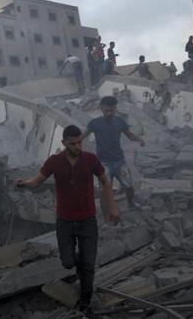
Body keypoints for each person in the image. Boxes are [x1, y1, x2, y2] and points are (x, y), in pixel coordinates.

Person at [16, 125, 119, 316]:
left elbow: (105, 181)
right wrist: (24, 184)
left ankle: (85, 302)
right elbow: (37, 180)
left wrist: (112, 207)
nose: (78, 146)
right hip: (65, 221)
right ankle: (80, 265)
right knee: (68, 263)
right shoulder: (54, 161)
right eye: (73, 143)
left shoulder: (90, 160)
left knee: (89, 265)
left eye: (80, 142)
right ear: (64, 143)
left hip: (88, 220)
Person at [82, 96, 145, 209]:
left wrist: (139, 139)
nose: (109, 113)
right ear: (101, 108)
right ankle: (107, 216)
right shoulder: (94, 123)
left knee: (129, 185)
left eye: (112, 110)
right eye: (107, 110)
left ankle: (131, 204)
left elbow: (129, 135)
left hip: (120, 161)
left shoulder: (120, 122)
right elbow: (82, 136)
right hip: (103, 163)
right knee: (104, 191)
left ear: (115, 108)